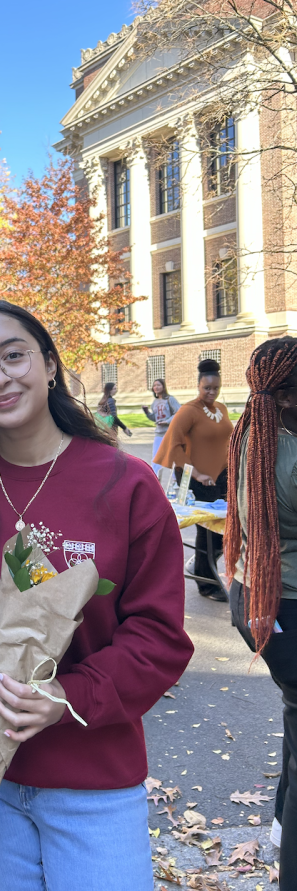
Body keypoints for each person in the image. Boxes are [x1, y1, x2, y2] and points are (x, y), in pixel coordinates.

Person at [0, 299, 193, 891]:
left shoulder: (125, 485)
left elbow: (159, 635)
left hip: (93, 775)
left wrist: (66, 696)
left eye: (13, 355)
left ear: (48, 365)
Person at [224, 336, 297, 890]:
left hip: (253, 598)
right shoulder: (287, 452)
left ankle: (277, 827)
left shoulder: (251, 431)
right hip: (286, 606)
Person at [154, 358, 232, 601]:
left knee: (224, 529)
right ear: (198, 385)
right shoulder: (189, 411)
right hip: (198, 479)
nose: (211, 392)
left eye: (215, 388)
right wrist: (197, 473)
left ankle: (199, 564)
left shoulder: (221, 409)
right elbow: (172, 445)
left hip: (222, 477)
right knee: (207, 531)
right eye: (206, 388)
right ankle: (206, 583)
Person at [142, 379, 180, 466]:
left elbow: (179, 413)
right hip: (159, 433)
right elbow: (155, 418)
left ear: (163, 387)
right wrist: (147, 412)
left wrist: (167, 422)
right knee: (156, 457)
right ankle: (155, 477)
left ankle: (175, 479)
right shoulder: (154, 402)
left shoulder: (170, 399)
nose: (156, 387)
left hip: (170, 432)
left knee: (173, 456)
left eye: (158, 385)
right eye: (154, 385)